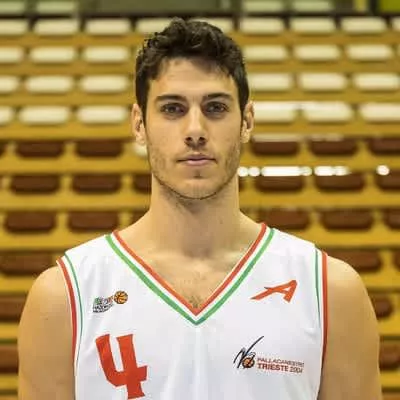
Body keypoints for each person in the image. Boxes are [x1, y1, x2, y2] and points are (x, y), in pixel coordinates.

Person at [18, 18, 382, 399]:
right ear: (139, 124)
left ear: (247, 122)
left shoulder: (329, 292)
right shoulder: (65, 297)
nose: (195, 130)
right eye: (173, 108)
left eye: (216, 107)